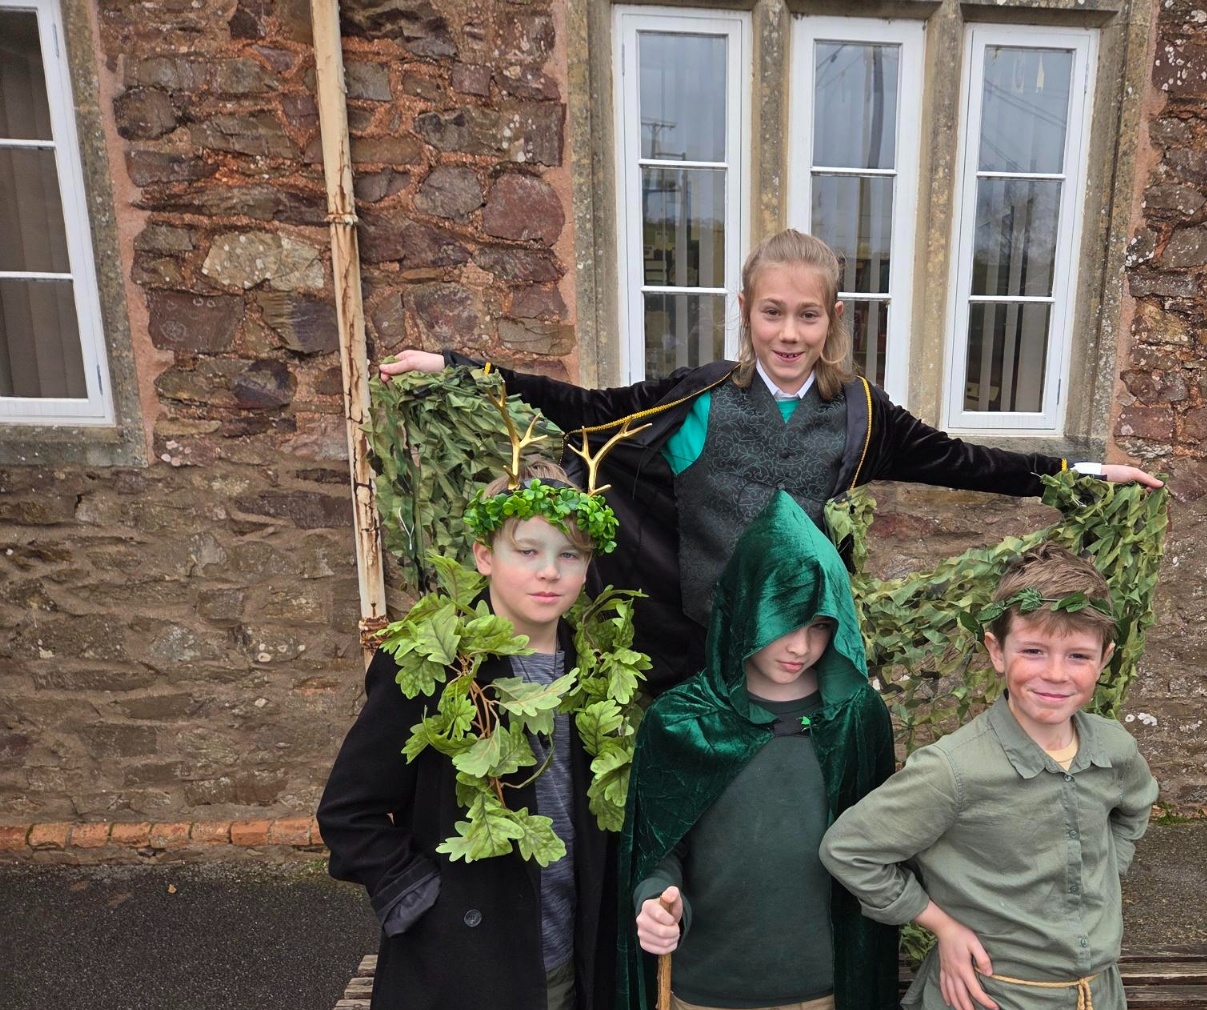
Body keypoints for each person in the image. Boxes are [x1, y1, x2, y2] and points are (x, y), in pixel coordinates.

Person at [378, 228, 1161, 690]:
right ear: (746, 312)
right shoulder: (699, 397)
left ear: (834, 318)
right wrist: (458, 370)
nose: (790, 333)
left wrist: (1083, 475)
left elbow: (965, 462)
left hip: (803, 652)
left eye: (808, 316)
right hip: (698, 650)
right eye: (773, 313)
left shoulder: (860, 414)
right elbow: (583, 409)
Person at [317, 465, 620, 1010]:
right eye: (528, 550)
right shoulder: (432, 664)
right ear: (484, 555)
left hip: (557, 961)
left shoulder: (597, 666)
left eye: (570, 554)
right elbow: (350, 811)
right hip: (464, 966)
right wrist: (423, 901)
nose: (549, 572)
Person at [820, 543, 1159, 1010]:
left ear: (1105, 659)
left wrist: (1103, 880)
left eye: (1078, 655)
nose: (1055, 673)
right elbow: (850, 849)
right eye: (1033, 650)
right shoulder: (954, 770)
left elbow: (1135, 808)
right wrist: (941, 925)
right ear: (996, 651)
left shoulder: (1114, 750)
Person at [615, 491, 900, 1010]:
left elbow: (882, 842)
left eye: (818, 626)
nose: (800, 647)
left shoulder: (854, 718)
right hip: (716, 974)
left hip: (823, 973)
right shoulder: (684, 722)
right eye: (782, 623)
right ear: (745, 609)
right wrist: (656, 900)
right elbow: (659, 848)